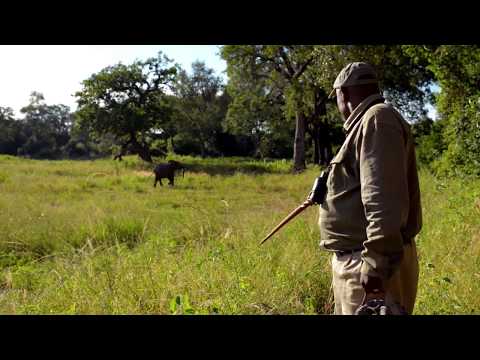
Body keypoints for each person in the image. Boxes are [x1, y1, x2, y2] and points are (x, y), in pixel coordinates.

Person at [310, 62, 422, 315]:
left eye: (336, 96)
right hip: (361, 261)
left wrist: (375, 265)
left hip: (368, 266)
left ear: (343, 93)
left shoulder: (376, 119)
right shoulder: (369, 122)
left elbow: (383, 200)